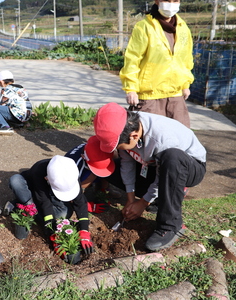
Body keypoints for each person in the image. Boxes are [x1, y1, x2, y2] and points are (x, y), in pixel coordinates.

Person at [93, 102, 206, 251]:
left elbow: (162, 176)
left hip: (188, 166)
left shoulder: (163, 139)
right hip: (154, 166)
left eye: (118, 147)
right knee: (111, 168)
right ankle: (167, 195)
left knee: (172, 158)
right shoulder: (125, 128)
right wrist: (131, 199)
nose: (117, 150)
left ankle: (171, 225)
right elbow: (127, 164)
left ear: (133, 136)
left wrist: (143, 203)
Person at [120, 0, 194, 128]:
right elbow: (133, 58)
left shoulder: (183, 28)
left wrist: (185, 84)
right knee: (148, 138)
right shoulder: (144, 27)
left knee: (179, 137)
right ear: (157, 1)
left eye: (175, 0)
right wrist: (131, 89)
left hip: (175, 95)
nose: (171, 4)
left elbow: (186, 59)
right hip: (150, 95)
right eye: (167, 0)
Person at [8, 155, 94, 256]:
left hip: (51, 193)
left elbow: (80, 202)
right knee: (15, 181)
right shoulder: (39, 170)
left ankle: (24, 208)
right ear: (47, 178)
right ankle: (27, 205)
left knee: (65, 213)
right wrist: (51, 233)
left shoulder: (70, 172)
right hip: (33, 189)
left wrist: (84, 231)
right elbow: (45, 203)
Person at [64, 135, 123, 213]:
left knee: (110, 166)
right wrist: (85, 205)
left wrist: (103, 192)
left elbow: (114, 156)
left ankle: (103, 190)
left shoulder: (100, 147)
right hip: (77, 176)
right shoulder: (73, 167)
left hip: (89, 164)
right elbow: (67, 192)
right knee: (63, 212)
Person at [0, 70, 32, 136]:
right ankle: (18, 124)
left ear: (2, 82)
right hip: (26, 116)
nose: (0, 85)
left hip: (17, 116)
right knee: (11, 108)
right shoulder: (21, 88)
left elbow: (2, 105)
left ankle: (4, 127)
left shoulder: (6, 89)